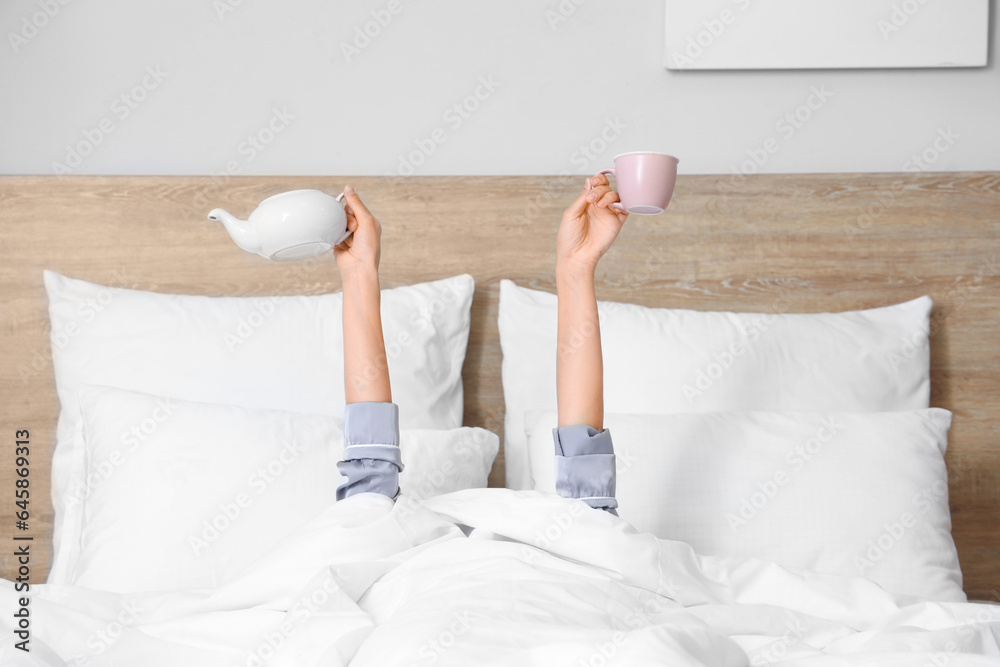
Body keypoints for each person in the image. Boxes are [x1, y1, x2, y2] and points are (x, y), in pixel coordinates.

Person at [334, 176, 628, 514]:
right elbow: (589, 509)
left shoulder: (376, 534)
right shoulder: (378, 537)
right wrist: (576, 268)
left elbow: (369, 489)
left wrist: (359, 273)